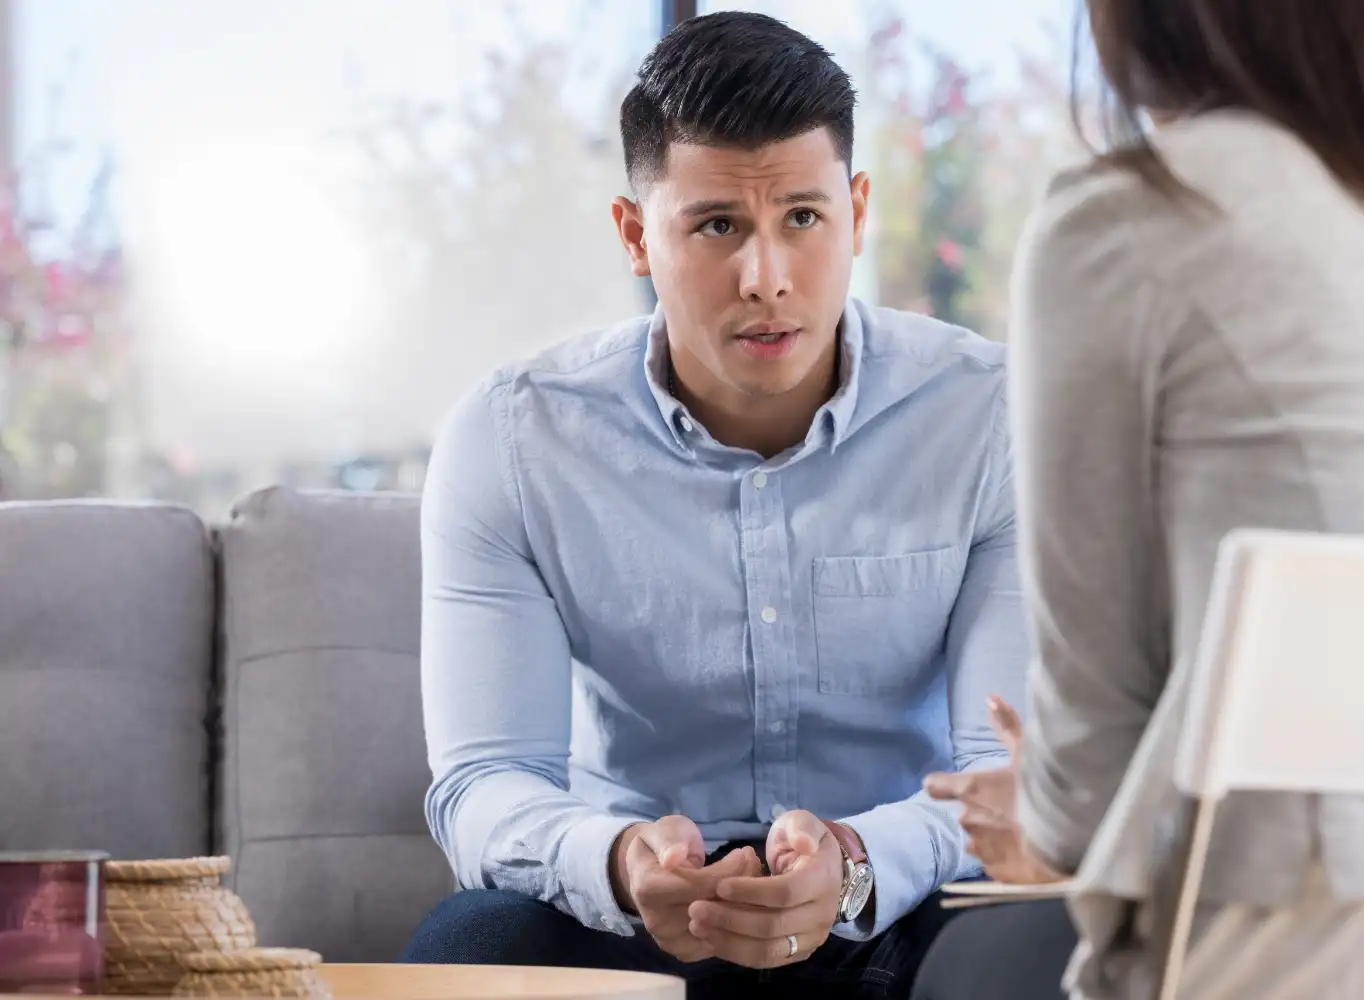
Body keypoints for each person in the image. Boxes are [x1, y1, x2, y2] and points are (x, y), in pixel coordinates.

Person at [401, 11, 1064, 998]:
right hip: (640, 925)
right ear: (635, 234)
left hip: (897, 911)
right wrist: (621, 864)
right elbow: (485, 782)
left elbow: (994, 773)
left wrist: (853, 863)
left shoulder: (992, 420)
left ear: (858, 212)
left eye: (803, 217)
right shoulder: (513, 441)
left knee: (1053, 945)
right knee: (472, 947)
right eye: (717, 225)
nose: (767, 278)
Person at [914, 1, 1364, 998]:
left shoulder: (1134, 220)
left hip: (1291, 928)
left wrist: (1039, 806)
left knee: (961, 972)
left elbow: (1088, 789)